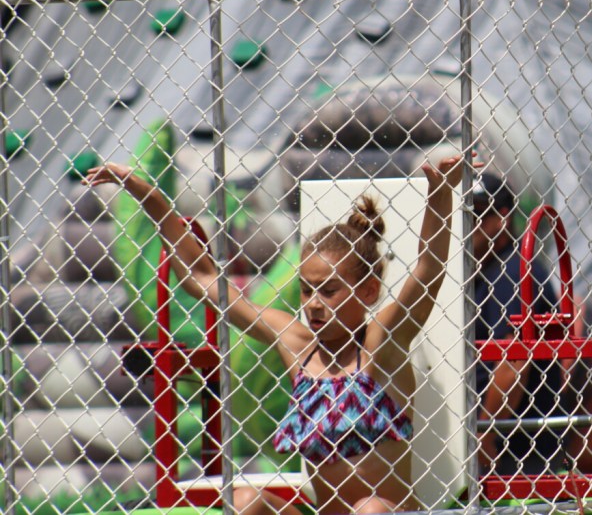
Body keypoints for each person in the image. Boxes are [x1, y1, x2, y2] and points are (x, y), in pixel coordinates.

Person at [83, 154, 476, 515]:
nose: (314, 303)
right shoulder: (297, 346)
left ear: (369, 291)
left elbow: (428, 269)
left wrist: (441, 193)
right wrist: (145, 192)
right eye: (306, 290)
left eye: (329, 291)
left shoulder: (380, 344)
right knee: (246, 502)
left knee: (369, 508)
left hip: (386, 512)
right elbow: (201, 277)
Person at [472, 173, 563, 476]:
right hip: (514, 442)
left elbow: (513, 362)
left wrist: (486, 431)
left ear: (502, 218)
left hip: (516, 447)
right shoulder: (487, 271)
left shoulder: (511, 271)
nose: (467, 225)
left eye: (477, 214)